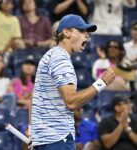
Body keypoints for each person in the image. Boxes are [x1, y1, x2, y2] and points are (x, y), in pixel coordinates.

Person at [31, 14, 115, 150]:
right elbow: (71, 102)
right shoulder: (61, 59)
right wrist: (102, 83)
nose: (86, 35)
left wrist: (35, 134)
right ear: (66, 32)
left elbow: (33, 98)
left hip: (46, 138)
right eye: (81, 31)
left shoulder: (50, 56)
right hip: (58, 139)